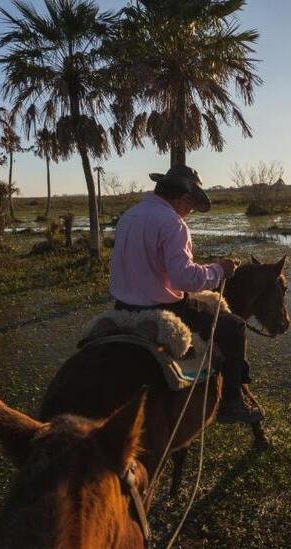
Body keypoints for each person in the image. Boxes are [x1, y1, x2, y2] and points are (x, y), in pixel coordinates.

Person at [109, 164, 263, 425]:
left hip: (122, 307)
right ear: (184, 198)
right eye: (190, 207)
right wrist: (219, 269)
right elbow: (184, 279)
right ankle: (231, 404)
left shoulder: (130, 215)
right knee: (234, 327)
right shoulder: (173, 223)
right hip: (162, 309)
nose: (189, 214)